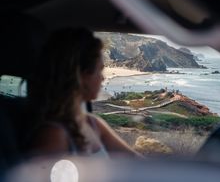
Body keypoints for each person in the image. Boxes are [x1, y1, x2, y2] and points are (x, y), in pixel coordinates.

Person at [28, 28, 139, 158]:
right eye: (100, 70)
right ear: (80, 76)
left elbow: (139, 163)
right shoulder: (53, 136)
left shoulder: (93, 123)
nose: (103, 78)